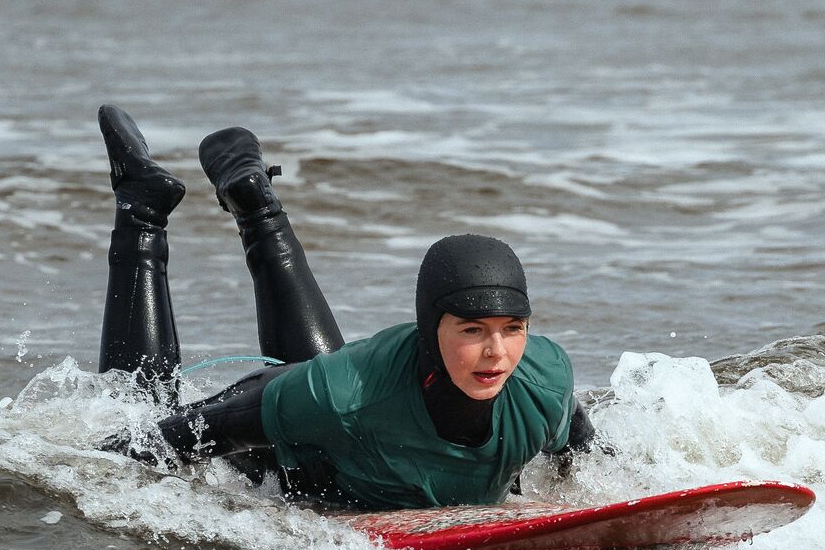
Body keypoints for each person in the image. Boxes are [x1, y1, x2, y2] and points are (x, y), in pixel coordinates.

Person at [94, 105, 595, 509]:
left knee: (338, 390)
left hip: (344, 406)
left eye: (513, 328)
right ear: (429, 329)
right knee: (139, 412)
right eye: (471, 331)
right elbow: (195, 433)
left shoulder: (543, 381)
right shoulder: (342, 396)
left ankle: (256, 202)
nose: (497, 352)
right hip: (285, 452)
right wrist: (96, 470)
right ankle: (142, 212)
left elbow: (585, 450)